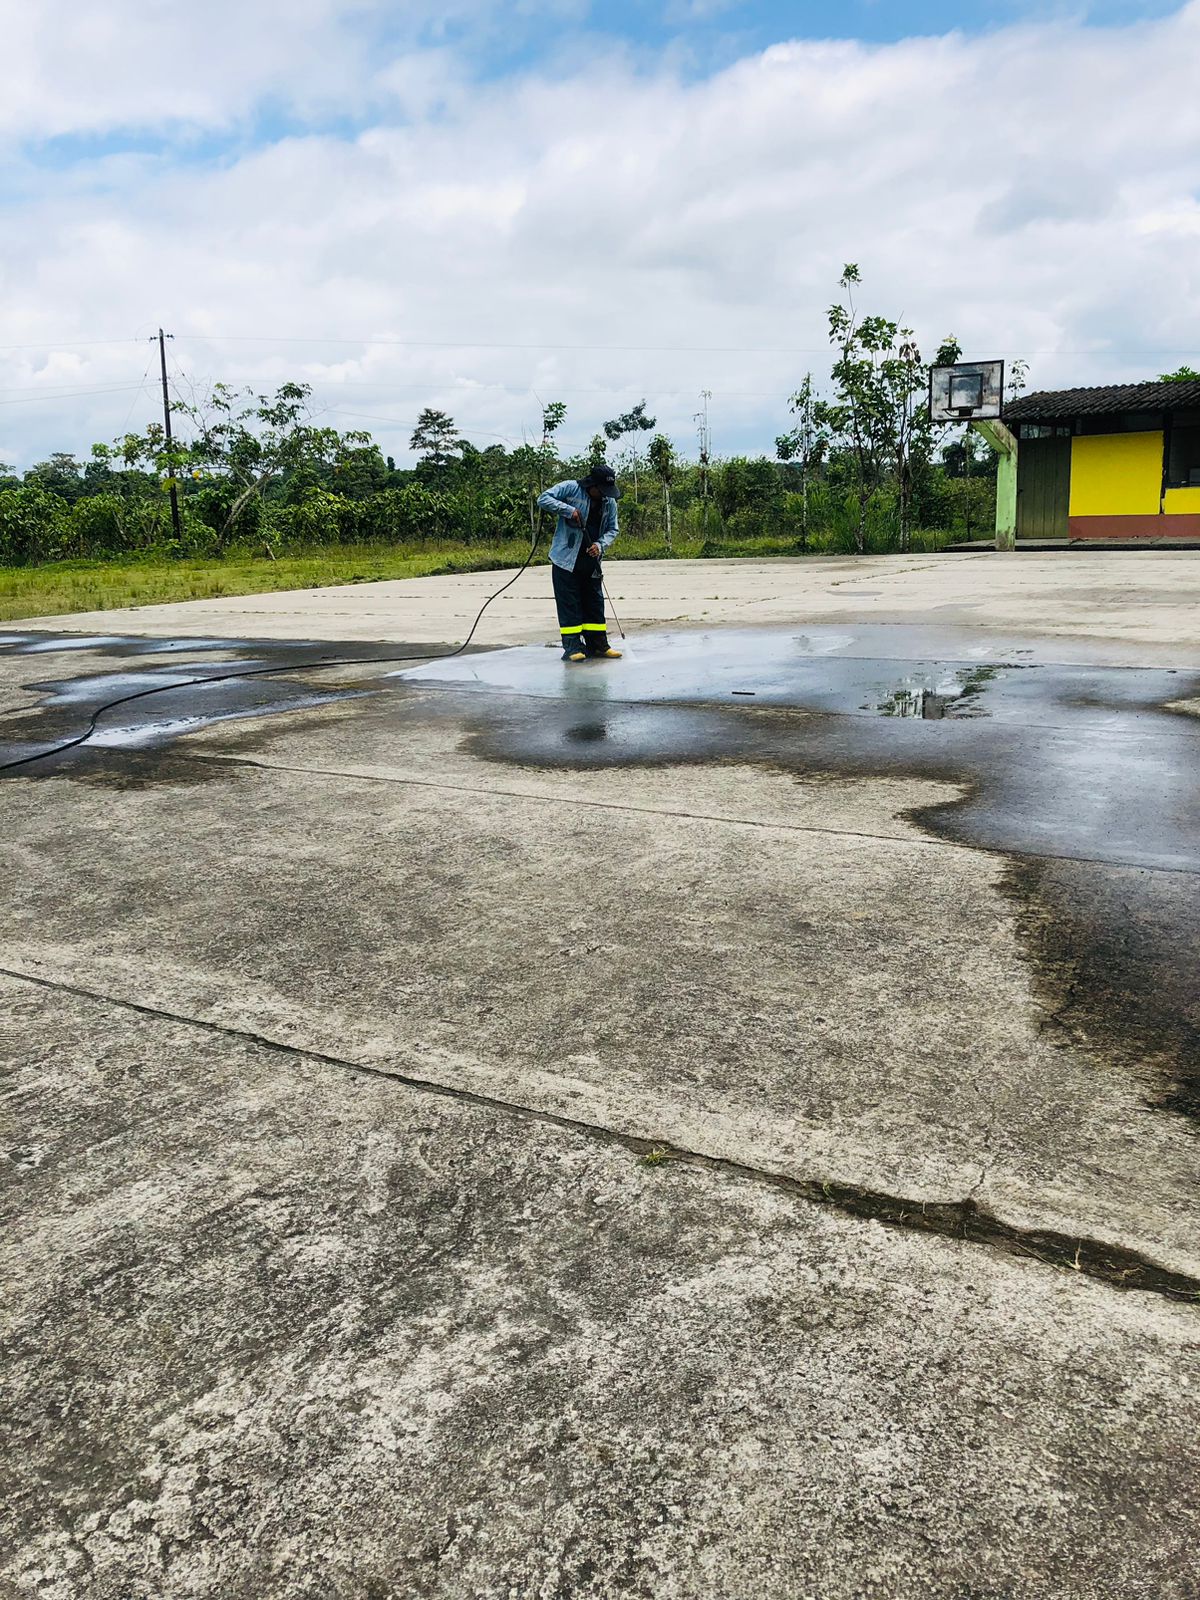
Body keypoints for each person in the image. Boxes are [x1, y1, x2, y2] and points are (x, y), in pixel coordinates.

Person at [537, 465, 623, 662]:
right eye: (601, 490)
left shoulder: (609, 502)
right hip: (566, 560)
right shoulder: (570, 488)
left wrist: (600, 545)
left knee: (594, 603)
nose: (604, 494)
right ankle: (573, 648)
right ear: (592, 485)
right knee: (570, 604)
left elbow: (613, 529)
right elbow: (543, 498)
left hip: (591, 561)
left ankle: (599, 646)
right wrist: (569, 511)